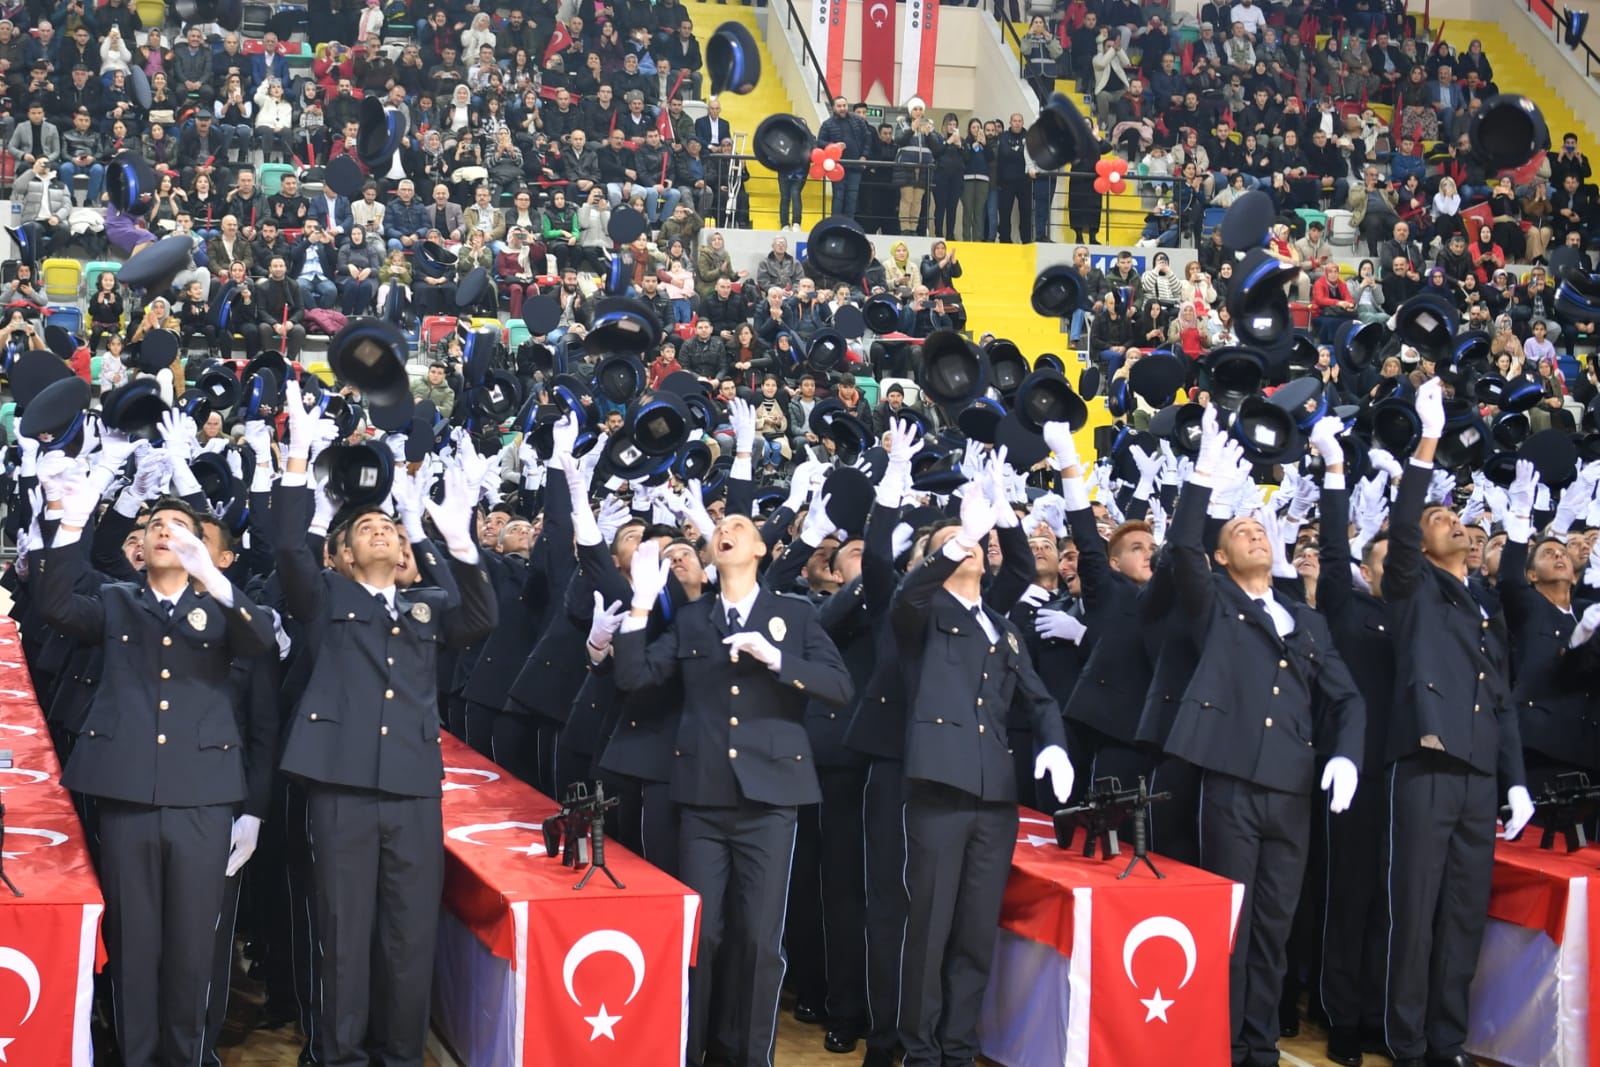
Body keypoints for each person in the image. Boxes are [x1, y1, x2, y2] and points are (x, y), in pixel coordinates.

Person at [610, 422, 854, 1067]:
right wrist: (638, 609)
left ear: (762, 549)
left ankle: (751, 1056)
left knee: (758, 942)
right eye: (721, 526)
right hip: (704, 797)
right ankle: (693, 1052)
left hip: (772, 798)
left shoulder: (796, 615)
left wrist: (779, 660)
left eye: (742, 526)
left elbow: (838, 686)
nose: (727, 529)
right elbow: (635, 681)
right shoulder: (692, 617)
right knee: (705, 937)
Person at [273, 381, 497, 1067]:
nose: (381, 530)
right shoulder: (326, 595)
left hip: (411, 787)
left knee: (408, 934)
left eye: (389, 527)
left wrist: (447, 540)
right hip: (338, 783)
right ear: (338, 555)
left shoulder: (425, 605)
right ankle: (335, 1055)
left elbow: (478, 618)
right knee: (341, 931)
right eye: (364, 528)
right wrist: (295, 466)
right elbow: (288, 557)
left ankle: (399, 1055)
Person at [37, 473, 275, 1067]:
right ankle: (136, 1055)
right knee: (134, 942)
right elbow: (55, 603)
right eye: (154, 527)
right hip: (127, 791)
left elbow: (262, 642)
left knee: (195, 944)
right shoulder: (118, 599)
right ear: (139, 548)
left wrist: (215, 578)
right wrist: (71, 518)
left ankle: (188, 1057)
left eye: (179, 528)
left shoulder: (223, 605)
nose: (164, 533)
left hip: (204, 794)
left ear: (199, 544)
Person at [1170, 409, 1366, 1067]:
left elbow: (1347, 697)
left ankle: (1258, 1043)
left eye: (1261, 528)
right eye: (1241, 531)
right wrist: (1202, 476)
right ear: (1222, 555)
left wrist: (1346, 753)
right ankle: (1222, 1042)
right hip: (1230, 779)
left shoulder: (1304, 619)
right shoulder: (1216, 601)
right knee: (1234, 920)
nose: (1256, 534)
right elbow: (1180, 553)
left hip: (1292, 787)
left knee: (1274, 927)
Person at [893, 441, 1074, 1067]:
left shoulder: (1000, 623)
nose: (971, 545)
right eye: (957, 539)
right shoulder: (927, 607)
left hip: (995, 794)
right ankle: (918, 1050)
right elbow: (906, 599)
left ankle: (958, 1044)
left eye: (975, 539)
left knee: (973, 931)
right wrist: (952, 540)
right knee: (931, 928)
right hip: (940, 788)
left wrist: (1054, 745)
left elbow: (1040, 699)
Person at [1381, 378, 1534, 1067]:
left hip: (1476, 773)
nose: (1454, 524)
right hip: (1426, 760)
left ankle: (1447, 1041)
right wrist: (1428, 445)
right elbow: (1409, 529)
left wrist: (1516, 779)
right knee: (1414, 914)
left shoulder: (1478, 604)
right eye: (1440, 519)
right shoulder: (1414, 587)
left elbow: (1499, 696)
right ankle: (1408, 1043)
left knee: (1464, 915)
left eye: (1457, 519)